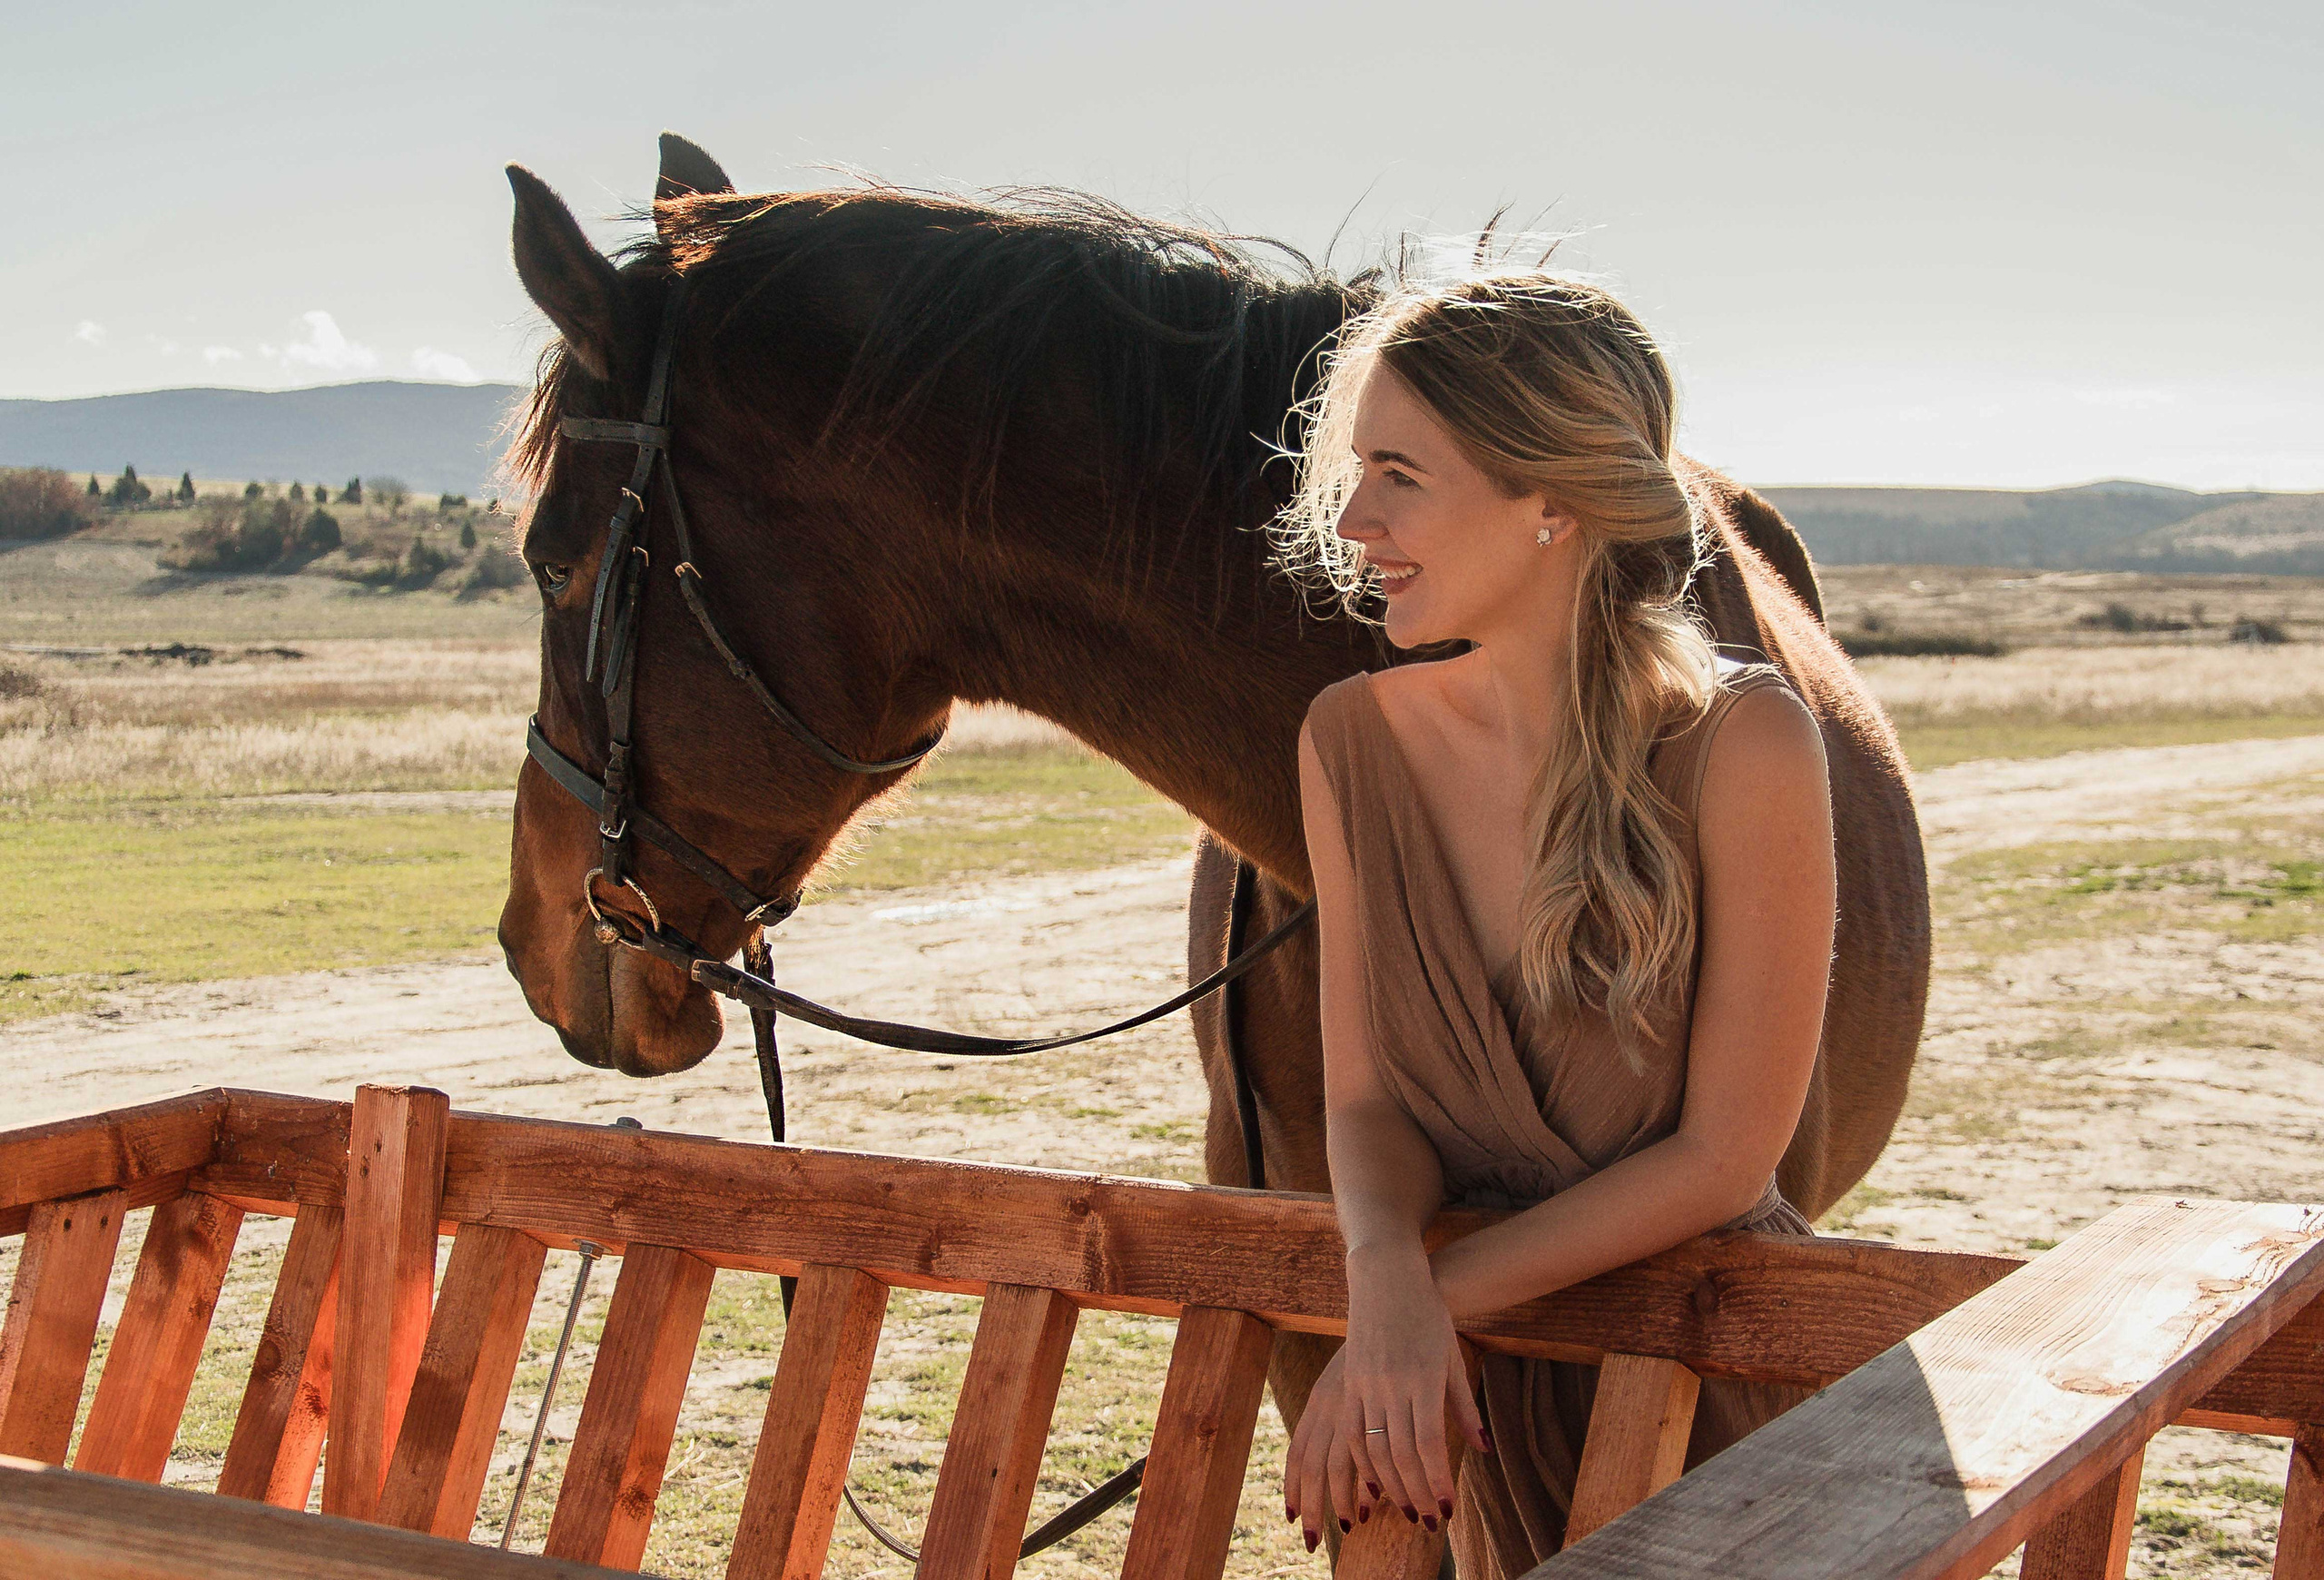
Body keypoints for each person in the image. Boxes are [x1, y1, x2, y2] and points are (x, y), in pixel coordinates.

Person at [1271, 270, 1836, 1575]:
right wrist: (1386, 1281)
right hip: (1472, 1427)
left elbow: (1723, 1162)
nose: (1354, 519)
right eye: (1357, 470)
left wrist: (1421, 1309)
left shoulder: (1744, 742)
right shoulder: (1349, 743)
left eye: (1400, 473)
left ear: (1553, 501)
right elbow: (1365, 1106)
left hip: (1709, 1400)